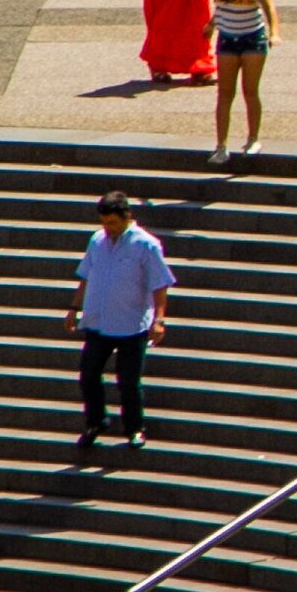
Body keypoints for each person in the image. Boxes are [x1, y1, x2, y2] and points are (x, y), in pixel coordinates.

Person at [69, 191, 176, 454]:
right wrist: (74, 307)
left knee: (128, 381)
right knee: (88, 375)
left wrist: (159, 319)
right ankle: (96, 422)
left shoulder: (146, 245)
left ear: (127, 217)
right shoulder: (97, 240)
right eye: (104, 223)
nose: (108, 228)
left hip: (131, 325)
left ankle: (134, 428)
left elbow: (160, 285)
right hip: (98, 321)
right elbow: (86, 275)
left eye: (113, 223)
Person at [204, 0, 274, 163]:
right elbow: (222, 4)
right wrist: (212, 24)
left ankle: (253, 138)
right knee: (224, 94)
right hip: (227, 38)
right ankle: (221, 145)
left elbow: (269, 6)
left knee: (250, 91)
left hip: (253, 38)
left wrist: (274, 32)